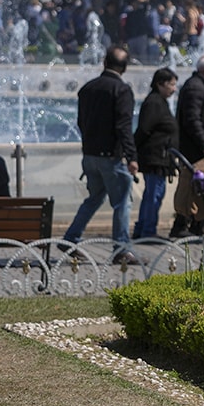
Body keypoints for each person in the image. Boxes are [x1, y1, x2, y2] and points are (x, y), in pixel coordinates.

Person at [64, 47, 139, 264]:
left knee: (93, 199)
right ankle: (122, 249)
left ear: (104, 62)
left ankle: (70, 239)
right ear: (124, 67)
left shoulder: (88, 88)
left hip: (90, 154)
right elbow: (124, 126)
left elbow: (80, 122)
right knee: (122, 202)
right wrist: (131, 156)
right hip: (111, 156)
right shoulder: (121, 90)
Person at [132, 67, 179, 239]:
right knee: (154, 194)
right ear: (160, 84)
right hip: (155, 157)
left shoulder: (159, 101)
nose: (174, 89)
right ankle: (147, 231)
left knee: (153, 193)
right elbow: (144, 129)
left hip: (159, 157)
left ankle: (144, 228)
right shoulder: (154, 102)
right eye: (171, 85)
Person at [177, 54, 204, 164]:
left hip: (197, 149)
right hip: (195, 151)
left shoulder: (200, 86)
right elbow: (192, 120)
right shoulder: (196, 88)